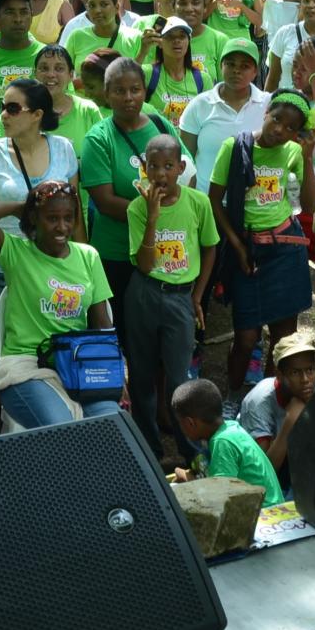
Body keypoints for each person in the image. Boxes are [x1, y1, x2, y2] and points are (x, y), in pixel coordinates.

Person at [0, 180, 117, 428]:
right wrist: (25, 206)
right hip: (26, 367)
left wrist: (113, 371)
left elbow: (102, 323)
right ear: (34, 220)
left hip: (77, 365)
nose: (62, 227)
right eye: (52, 218)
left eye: (68, 218)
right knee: (62, 429)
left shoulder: (87, 256)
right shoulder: (17, 252)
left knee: (111, 424)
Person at [0, 77, 79, 364]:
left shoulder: (63, 148)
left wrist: (82, 263)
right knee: (1, 352)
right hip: (0, 270)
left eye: (13, 108)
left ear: (37, 115)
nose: (3, 114)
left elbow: (75, 214)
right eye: (3, 107)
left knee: (52, 347)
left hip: (53, 268)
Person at [208, 92, 315, 401]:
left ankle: (267, 400)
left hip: (285, 250)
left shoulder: (294, 151)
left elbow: (309, 205)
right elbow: (215, 200)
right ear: (267, 112)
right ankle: (232, 398)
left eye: (290, 127)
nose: (280, 129)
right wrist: (238, 247)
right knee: (246, 337)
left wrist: (308, 159)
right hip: (249, 252)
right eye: (277, 119)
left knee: (282, 339)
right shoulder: (235, 147)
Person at [125, 134, 218, 454]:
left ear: (181, 167)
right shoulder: (137, 207)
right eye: (154, 166)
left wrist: (197, 296)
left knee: (180, 379)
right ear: (144, 168)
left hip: (180, 298)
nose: (161, 174)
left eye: (168, 166)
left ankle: (189, 451)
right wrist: (152, 217)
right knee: (142, 375)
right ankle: (149, 449)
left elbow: (209, 249)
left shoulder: (197, 202)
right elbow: (147, 265)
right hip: (144, 295)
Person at [167, 377, 282, 507]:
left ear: (190, 423)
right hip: (274, 506)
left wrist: (185, 477)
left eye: (179, 423)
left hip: (263, 515)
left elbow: (218, 500)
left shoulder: (222, 443)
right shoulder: (231, 427)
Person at [180, 37, 268, 194]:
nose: (236, 70)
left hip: (255, 206)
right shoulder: (200, 105)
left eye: (245, 66)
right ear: (221, 66)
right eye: (230, 64)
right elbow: (186, 159)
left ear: (255, 72)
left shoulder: (268, 105)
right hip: (205, 202)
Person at [237, 330, 315, 484]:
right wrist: (290, 422)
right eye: (295, 372)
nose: (305, 380)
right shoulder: (258, 402)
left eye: (310, 370)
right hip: (262, 467)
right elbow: (262, 474)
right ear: (279, 375)